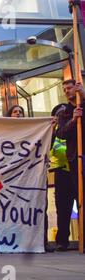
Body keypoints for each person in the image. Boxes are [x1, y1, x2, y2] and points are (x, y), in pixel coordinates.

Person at [55, 79, 85, 251]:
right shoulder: (64, 111)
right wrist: (74, 120)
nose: (67, 91)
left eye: (69, 88)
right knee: (64, 206)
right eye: (64, 89)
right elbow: (61, 133)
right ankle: (62, 241)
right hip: (71, 162)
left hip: (82, 158)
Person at [49, 104, 75, 252]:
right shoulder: (54, 135)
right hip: (61, 173)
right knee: (63, 209)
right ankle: (62, 240)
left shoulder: (74, 132)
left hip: (76, 170)